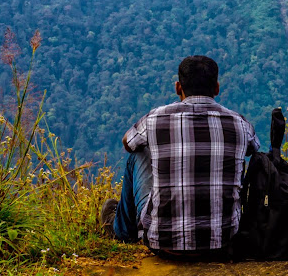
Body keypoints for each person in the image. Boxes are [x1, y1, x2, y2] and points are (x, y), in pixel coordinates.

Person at [101, 55, 260, 258]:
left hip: (164, 244)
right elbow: (254, 150)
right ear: (217, 88)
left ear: (178, 88)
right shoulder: (240, 123)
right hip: (224, 243)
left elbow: (128, 143)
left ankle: (123, 230)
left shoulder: (155, 118)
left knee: (138, 155)